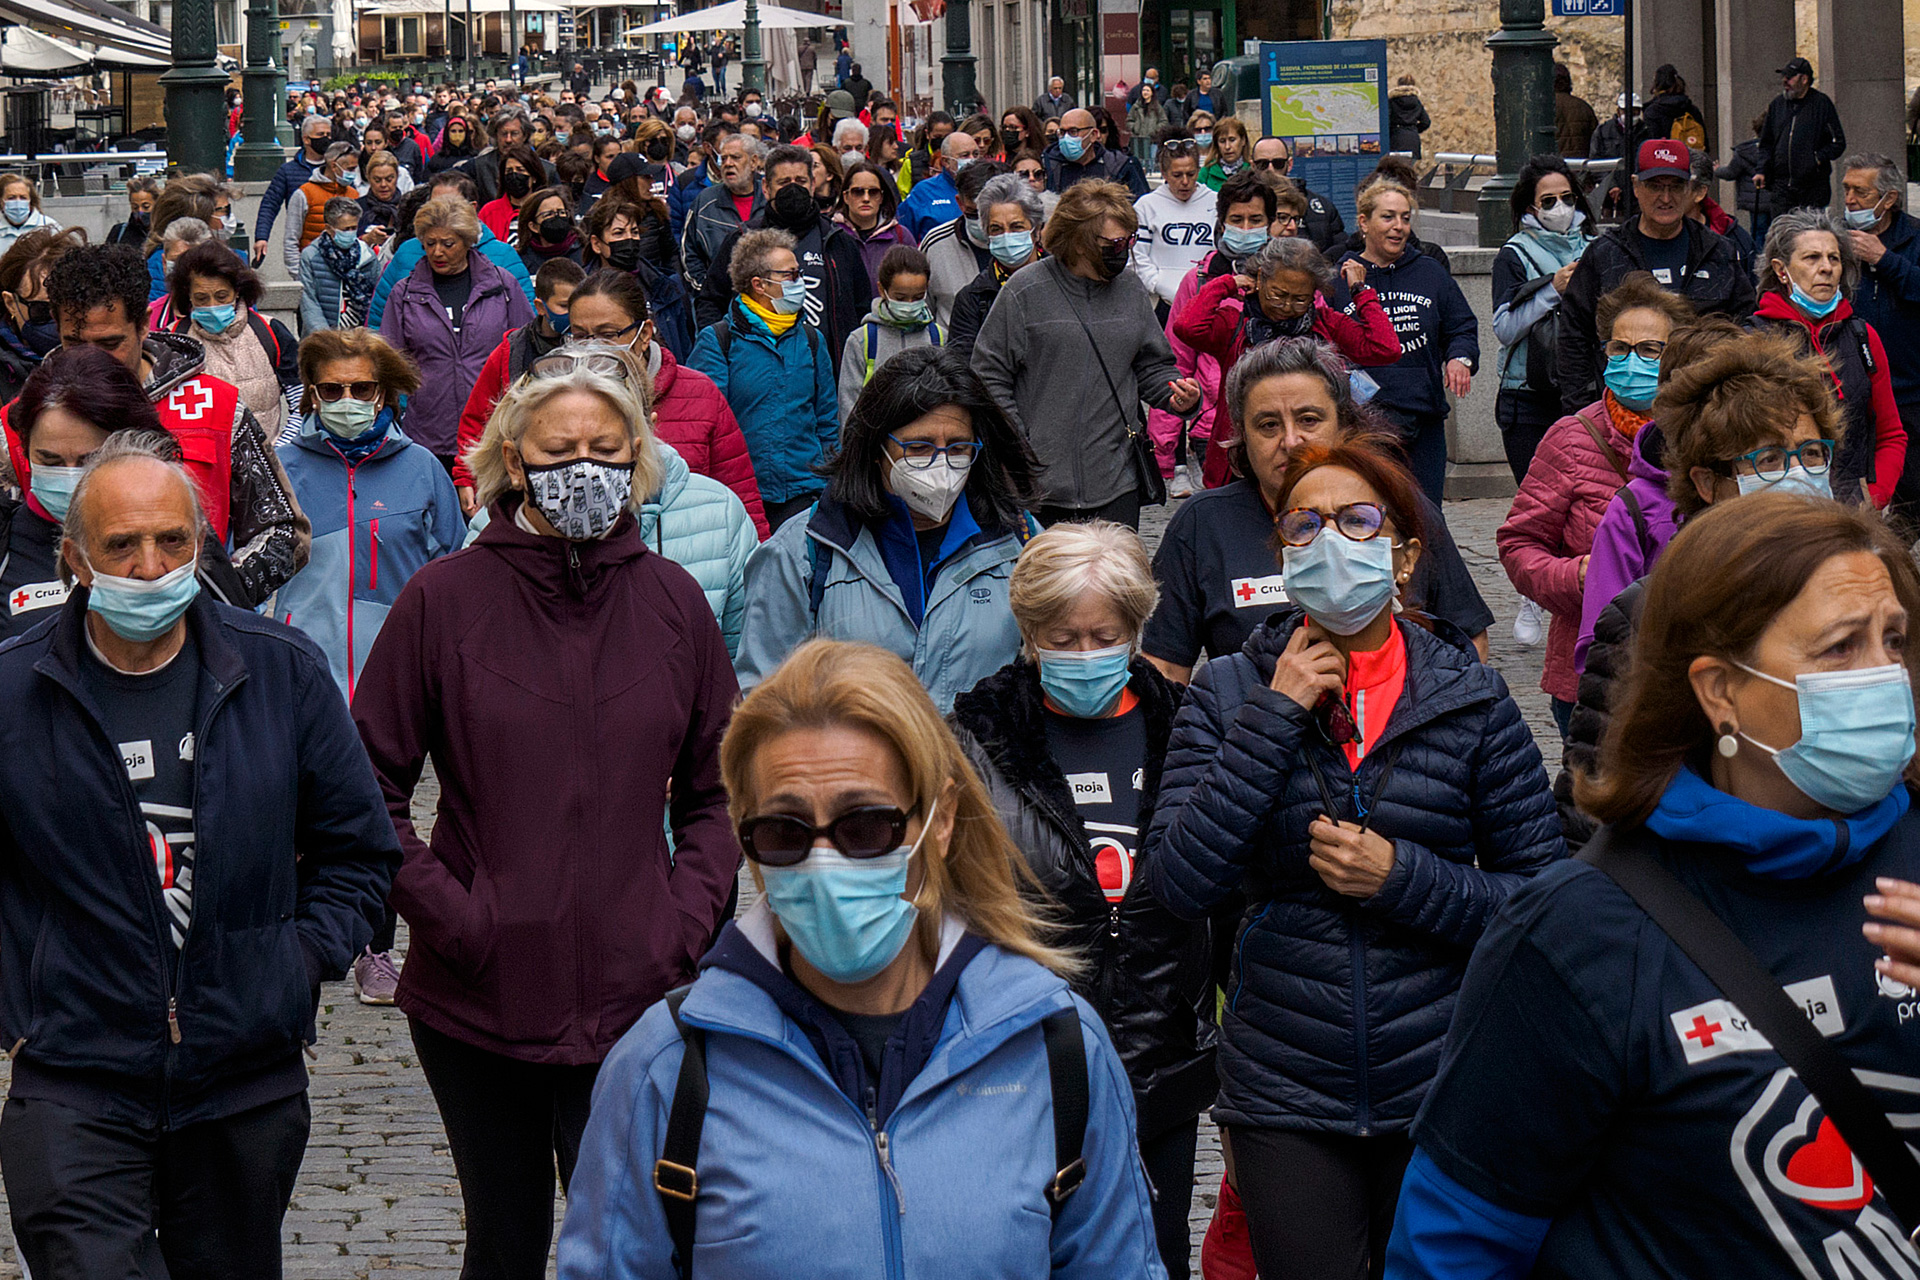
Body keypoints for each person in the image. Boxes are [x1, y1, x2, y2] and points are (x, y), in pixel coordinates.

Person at [1388, 493, 1920, 1279]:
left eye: (1895, 641)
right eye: (1840, 648)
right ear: (1719, 690)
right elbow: (1455, 1244)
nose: (1883, 676)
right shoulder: (1581, 932)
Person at [557, 634, 1163, 1277]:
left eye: (866, 827)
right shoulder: (667, 1070)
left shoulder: (1056, 1047)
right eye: (785, 832)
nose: (825, 862)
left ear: (942, 818)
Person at [352, 349, 741, 1280]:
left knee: (634, 1244)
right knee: (506, 1240)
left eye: (607, 449)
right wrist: (454, 913)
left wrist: (681, 921)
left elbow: (720, 788)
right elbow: (365, 783)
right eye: (560, 448)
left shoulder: (674, 602)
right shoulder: (444, 600)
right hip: (476, 994)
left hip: (640, 988)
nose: (585, 467)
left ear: (639, 459)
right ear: (514, 458)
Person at [1144, 434, 1561, 1280]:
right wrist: (1274, 716)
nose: (1330, 540)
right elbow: (1181, 881)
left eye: (1357, 520)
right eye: (1305, 524)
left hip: (1440, 1078)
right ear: (1283, 552)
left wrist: (1403, 880)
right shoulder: (1228, 690)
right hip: (1285, 1083)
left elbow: (1543, 906)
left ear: (1404, 556)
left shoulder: (1469, 696)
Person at [0, 431, 396, 1278]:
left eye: (171, 540)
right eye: (121, 545)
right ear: (74, 558)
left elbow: (359, 853)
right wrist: (20, 1000)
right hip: (75, 1076)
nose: (149, 566)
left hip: (241, 1080)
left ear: (201, 542)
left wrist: (293, 962)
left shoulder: (281, 672)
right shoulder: (13, 691)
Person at [950, 520, 1211, 1280]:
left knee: (1150, 1256)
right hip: (1022, 1063)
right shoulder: (976, 739)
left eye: (1105, 635)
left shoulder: (1188, 724)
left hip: (1162, 1058)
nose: (1086, 654)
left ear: (1135, 629)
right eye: (1062, 637)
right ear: (1028, 633)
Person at [1144, 338, 1493, 681]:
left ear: (1344, 423)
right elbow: (1167, 669)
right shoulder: (1203, 524)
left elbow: (1468, 641)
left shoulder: (1400, 507)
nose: (1291, 441)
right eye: (1268, 425)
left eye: (1309, 420)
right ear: (1242, 435)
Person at [736, 343, 1043, 711]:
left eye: (958, 448)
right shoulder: (803, 552)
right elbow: (764, 702)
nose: (941, 466)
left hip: (982, 767)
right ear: (876, 447)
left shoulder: (1019, 539)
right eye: (919, 447)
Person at [38, 244, 311, 606]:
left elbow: (284, 534)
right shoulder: (28, 418)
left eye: (109, 343)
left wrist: (213, 602)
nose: (90, 360)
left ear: (143, 326)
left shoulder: (216, 408)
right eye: (74, 343)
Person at [1575, 328, 1842, 672]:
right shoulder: (1654, 615)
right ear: (1707, 482)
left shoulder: (1869, 584)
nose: (1799, 474)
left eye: (1812, 453)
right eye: (1769, 459)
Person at [1498, 275, 1695, 738]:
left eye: (1649, 350)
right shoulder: (1571, 437)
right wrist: (1580, 576)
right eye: (1618, 349)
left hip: (1681, 671)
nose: (1632, 362)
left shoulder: (1700, 438)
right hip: (1588, 675)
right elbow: (1518, 543)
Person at [451, 267, 769, 534]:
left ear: (644, 334)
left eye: (606, 335)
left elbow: (741, 493)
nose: (592, 347)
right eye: (579, 335)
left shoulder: (698, 393)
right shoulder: (548, 394)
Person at [972, 180, 1199, 529]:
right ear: (1078, 241)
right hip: (1040, 487)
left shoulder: (1131, 290)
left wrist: (1176, 394)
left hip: (1117, 482)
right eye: (1114, 243)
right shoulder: (1024, 291)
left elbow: (1151, 366)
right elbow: (989, 375)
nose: (1124, 250)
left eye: (1129, 240)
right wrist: (1020, 444)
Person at [0, 347, 254, 635]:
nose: (70, 476)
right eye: (50, 461)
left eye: (89, 460)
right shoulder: (7, 542)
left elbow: (234, 641)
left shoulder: (177, 542)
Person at [1556, 139, 1756, 412]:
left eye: (1675, 186)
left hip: (1704, 413)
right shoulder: (1605, 254)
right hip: (1619, 415)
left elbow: (1746, 327)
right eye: (1655, 186)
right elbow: (1573, 336)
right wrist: (1581, 410)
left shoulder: (1719, 251)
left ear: (1690, 189)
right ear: (1636, 186)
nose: (1665, 197)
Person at [1750, 209, 1904, 508]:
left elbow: (1891, 434)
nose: (1826, 268)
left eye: (1834, 258)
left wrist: (1874, 497)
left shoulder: (1863, 336)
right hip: (1781, 511)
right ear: (1781, 270)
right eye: (1811, 258)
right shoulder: (1753, 339)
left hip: (1854, 510)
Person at [687, 228, 839, 531]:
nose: (800, 283)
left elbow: (827, 420)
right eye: (790, 275)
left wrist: (830, 480)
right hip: (739, 493)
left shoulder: (812, 339)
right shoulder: (718, 341)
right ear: (759, 284)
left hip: (805, 491)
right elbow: (706, 426)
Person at [1340, 177, 1478, 505]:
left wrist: (1461, 357)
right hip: (1365, 421)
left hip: (1424, 416)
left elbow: (1462, 327)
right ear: (1364, 222)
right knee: (1373, 514)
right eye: (1388, 217)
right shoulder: (1340, 277)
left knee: (1426, 515)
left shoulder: (1429, 272)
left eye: (1405, 217)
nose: (1398, 226)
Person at [380, 195, 535, 470]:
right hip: (427, 434)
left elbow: (526, 352)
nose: (437, 252)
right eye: (429, 243)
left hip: (494, 432)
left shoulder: (503, 286)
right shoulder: (404, 294)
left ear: (466, 241)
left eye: (447, 244)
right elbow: (388, 363)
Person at [699, 144, 873, 360]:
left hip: (827, 374)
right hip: (756, 371)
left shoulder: (838, 242)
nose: (793, 189)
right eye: (783, 182)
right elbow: (711, 301)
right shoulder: (742, 240)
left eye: (800, 181)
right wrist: (722, 354)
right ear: (765, 187)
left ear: (812, 185)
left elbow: (862, 306)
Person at [1491, 154, 1596, 485]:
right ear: (1531, 208)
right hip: (1529, 395)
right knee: (1539, 499)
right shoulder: (1514, 253)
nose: (1560, 207)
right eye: (1548, 201)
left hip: (1586, 388)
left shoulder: (1597, 246)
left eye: (1567, 198)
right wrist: (1553, 288)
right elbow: (1504, 328)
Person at [1841, 154, 1920, 525]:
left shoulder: (1915, 238)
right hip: (1851, 390)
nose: (1850, 200)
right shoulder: (1835, 238)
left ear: (1888, 199)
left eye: (1861, 191)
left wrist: (1885, 259)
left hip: (1909, 393)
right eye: (1846, 189)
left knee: (1910, 499)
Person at [162, 241, 301, 444]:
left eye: (221, 296)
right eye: (201, 298)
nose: (212, 306)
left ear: (237, 291)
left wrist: (279, 452)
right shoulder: (174, 340)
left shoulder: (270, 333)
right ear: (188, 296)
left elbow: (302, 404)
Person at [366, 172, 536, 327]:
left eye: (450, 206)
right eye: (433, 205)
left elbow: (525, 324)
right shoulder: (407, 253)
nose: (440, 214)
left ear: (472, 208)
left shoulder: (503, 257)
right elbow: (379, 322)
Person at [838, 244, 946, 422]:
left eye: (918, 297)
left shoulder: (939, 337)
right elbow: (849, 405)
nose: (910, 304)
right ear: (882, 290)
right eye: (901, 298)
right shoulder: (862, 341)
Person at [949, 172, 1045, 360]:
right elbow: (962, 370)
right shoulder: (972, 300)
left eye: (1016, 227)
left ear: (1037, 230)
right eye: (996, 229)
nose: (1007, 236)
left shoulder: (1064, 281)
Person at [682, 133, 765, 319]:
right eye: (723, 158)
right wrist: (705, 288)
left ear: (753, 162)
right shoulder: (705, 202)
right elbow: (688, 252)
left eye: (735, 157)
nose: (727, 163)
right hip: (718, 307)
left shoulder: (770, 200)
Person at [1131, 138, 1214, 317]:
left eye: (1191, 174)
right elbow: (1137, 257)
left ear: (1198, 171)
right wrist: (1158, 285)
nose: (1185, 182)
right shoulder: (1147, 206)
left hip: (1208, 301)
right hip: (1162, 303)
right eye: (1177, 175)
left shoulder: (1215, 202)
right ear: (1164, 173)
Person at [1757, 56, 1847, 214]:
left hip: (1812, 188)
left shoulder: (1821, 104)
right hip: (1781, 187)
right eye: (1784, 76)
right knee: (1782, 232)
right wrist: (1761, 170)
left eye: (1790, 77)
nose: (1785, 81)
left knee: (1809, 232)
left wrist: (1816, 158)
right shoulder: (1777, 105)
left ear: (1804, 79)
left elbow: (1838, 143)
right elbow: (1766, 143)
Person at [253, 115, 334, 267]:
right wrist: (261, 237)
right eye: (320, 135)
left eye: (328, 135)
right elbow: (269, 204)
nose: (326, 139)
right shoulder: (288, 171)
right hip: (304, 247)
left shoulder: (337, 168)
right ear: (306, 139)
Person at [1250, 137, 1348, 255]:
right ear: (1253, 166)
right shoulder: (1242, 205)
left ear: (1289, 164)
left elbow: (1341, 248)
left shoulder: (1321, 207)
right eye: (1262, 164)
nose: (1270, 169)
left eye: (1278, 163)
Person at [301, 196, 379, 335]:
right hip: (324, 339)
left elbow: (377, 296)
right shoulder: (311, 256)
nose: (350, 233)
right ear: (329, 229)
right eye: (345, 229)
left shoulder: (367, 255)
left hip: (361, 337)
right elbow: (309, 304)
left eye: (354, 228)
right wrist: (326, 338)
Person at [283, 142, 363, 274]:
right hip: (312, 270)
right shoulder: (304, 194)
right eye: (350, 169)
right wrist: (299, 274)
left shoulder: (353, 194)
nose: (353, 173)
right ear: (333, 165)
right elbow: (291, 238)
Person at [836, 158, 917, 289]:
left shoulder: (901, 236)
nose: (866, 199)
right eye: (858, 192)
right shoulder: (831, 235)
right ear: (846, 197)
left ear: (881, 197)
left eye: (873, 192)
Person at [1045, 108, 1149, 199]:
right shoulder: (1047, 165)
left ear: (1094, 135)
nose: (1066, 138)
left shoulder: (1119, 166)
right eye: (1062, 132)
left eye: (1073, 131)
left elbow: (1141, 207)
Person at [898, 129, 975, 239]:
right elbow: (904, 235)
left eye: (975, 154)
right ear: (946, 161)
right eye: (965, 155)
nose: (972, 159)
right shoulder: (923, 191)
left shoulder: (988, 187)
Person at [478, 144, 543, 241]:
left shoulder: (544, 210)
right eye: (509, 171)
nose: (514, 175)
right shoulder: (489, 211)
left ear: (534, 177)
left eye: (520, 170)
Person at [515, 186, 582, 274]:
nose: (556, 217)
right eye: (548, 214)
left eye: (561, 212)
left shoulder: (583, 253)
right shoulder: (522, 261)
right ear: (533, 226)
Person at [1641, 63, 1707, 151]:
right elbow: (1704, 143)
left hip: (1665, 160)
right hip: (1691, 160)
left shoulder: (1652, 112)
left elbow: (1652, 145)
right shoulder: (1692, 109)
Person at [1554, 63, 1598, 159]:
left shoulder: (1546, 107)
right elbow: (1595, 139)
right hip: (1581, 166)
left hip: (1556, 166)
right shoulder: (1583, 107)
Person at [105, 175, 160, 247]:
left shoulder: (168, 232)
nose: (140, 211)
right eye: (135, 207)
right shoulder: (119, 232)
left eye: (146, 207)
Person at [1198, 117, 1250, 191]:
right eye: (1222, 141)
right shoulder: (1207, 172)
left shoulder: (1252, 170)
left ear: (1243, 141)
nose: (1227, 147)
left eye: (1232, 140)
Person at [1387, 74, 1431, 159]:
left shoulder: (1392, 101)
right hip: (1413, 138)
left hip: (1396, 138)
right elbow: (1426, 122)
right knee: (1409, 169)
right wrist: (1414, 129)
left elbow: (1387, 121)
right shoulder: (1416, 101)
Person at [1126, 86, 1169, 171]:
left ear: (1152, 93)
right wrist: (1135, 128)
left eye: (1148, 90)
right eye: (1144, 90)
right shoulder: (1136, 107)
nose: (1145, 92)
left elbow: (1164, 121)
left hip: (1153, 139)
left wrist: (1155, 129)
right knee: (1139, 161)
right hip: (1139, 139)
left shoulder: (1157, 107)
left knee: (1151, 160)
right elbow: (1129, 121)